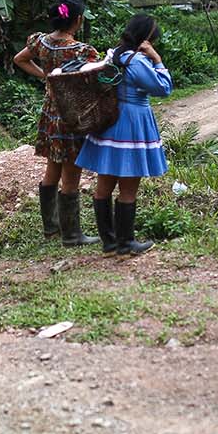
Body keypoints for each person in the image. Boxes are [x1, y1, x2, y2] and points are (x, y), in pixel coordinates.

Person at [75, 13, 173, 256]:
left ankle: (109, 242)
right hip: (132, 123)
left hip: (109, 122)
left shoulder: (113, 54)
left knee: (104, 185)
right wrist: (157, 59)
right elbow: (163, 88)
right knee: (129, 187)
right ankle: (126, 243)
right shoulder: (137, 61)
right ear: (147, 39)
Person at [12, 0, 102, 246]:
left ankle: (51, 228)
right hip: (72, 119)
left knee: (52, 169)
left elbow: (19, 59)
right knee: (71, 175)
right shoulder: (83, 51)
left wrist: (46, 76)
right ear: (78, 20)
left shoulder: (40, 43)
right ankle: (72, 235)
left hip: (50, 114)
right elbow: (97, 81)